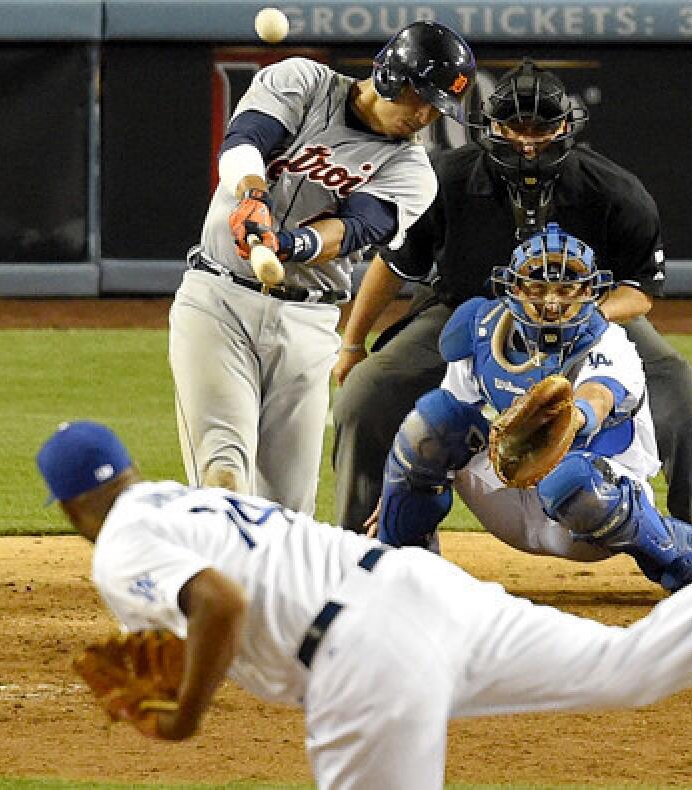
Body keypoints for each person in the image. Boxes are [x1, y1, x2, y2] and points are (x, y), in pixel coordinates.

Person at [37, 419, 692, 790]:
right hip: (415, 587)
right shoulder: (174, 499)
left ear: (71, 504)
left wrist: (188, 717)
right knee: (630, 665)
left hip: (363, 661)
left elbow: (221, 603)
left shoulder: (119, 541)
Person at [332, 58, 692, 565]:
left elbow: (639, 291)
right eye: (515, 127)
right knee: (365, 395)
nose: (528, 141)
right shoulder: (443, 179)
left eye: (541, 127)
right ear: (492, 126)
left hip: (592, 315)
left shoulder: (613, 190)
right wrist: (353, 344)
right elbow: (395, 263)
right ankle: (365, 551)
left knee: (691, 403)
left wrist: (574, 319)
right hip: (465, 309)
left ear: (565, 127)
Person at [169, 21, 475, 515]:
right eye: (419, 97)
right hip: (218, 299)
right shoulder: (303, 82)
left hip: (307, 323)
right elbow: (246, 139)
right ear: (393, 75)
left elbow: (355, 228)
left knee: (289, 509)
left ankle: (276, 592)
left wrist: (288, 243)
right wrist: (250, 194)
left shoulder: (413, 172)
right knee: (222, 471)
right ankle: (215, 588)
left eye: (434, 107)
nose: (423, 115)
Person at [372, 223, 692, 592]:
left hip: (587, 512)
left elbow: (596, 398)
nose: (552, 304)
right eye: (537, 288)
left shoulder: (610, 342)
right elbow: (449, 414)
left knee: (568, 478)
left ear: (589, 292)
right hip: (508, 495)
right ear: (514, 288)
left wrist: (565, 420)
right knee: (432, 423)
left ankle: (676, 559)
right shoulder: (483, 330)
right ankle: (401, 558)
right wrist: (401, 488)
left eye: (566, 289)